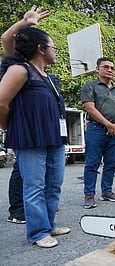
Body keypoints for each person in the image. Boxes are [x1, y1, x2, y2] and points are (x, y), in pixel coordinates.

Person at [0, 5, 71, 248]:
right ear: (41, 48)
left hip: (54, 137)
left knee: (53, 184)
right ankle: (38, 232)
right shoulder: (20, 69)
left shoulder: (48, 76)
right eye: (54, 47)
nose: (57, 52)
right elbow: (1, 102)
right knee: (34, 187)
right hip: (30, 138)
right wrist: (24, 23)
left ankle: (48, 224)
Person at [81, 57, 115, 208]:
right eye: (106, 67)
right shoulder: (90, 86)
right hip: (96, 130)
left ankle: (107, 191)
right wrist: (108, 125)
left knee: (111, 162)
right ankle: (89, 194)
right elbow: (90, 108)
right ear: (97, 69)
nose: (110, 70)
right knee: (92, 163)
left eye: (112, 68)